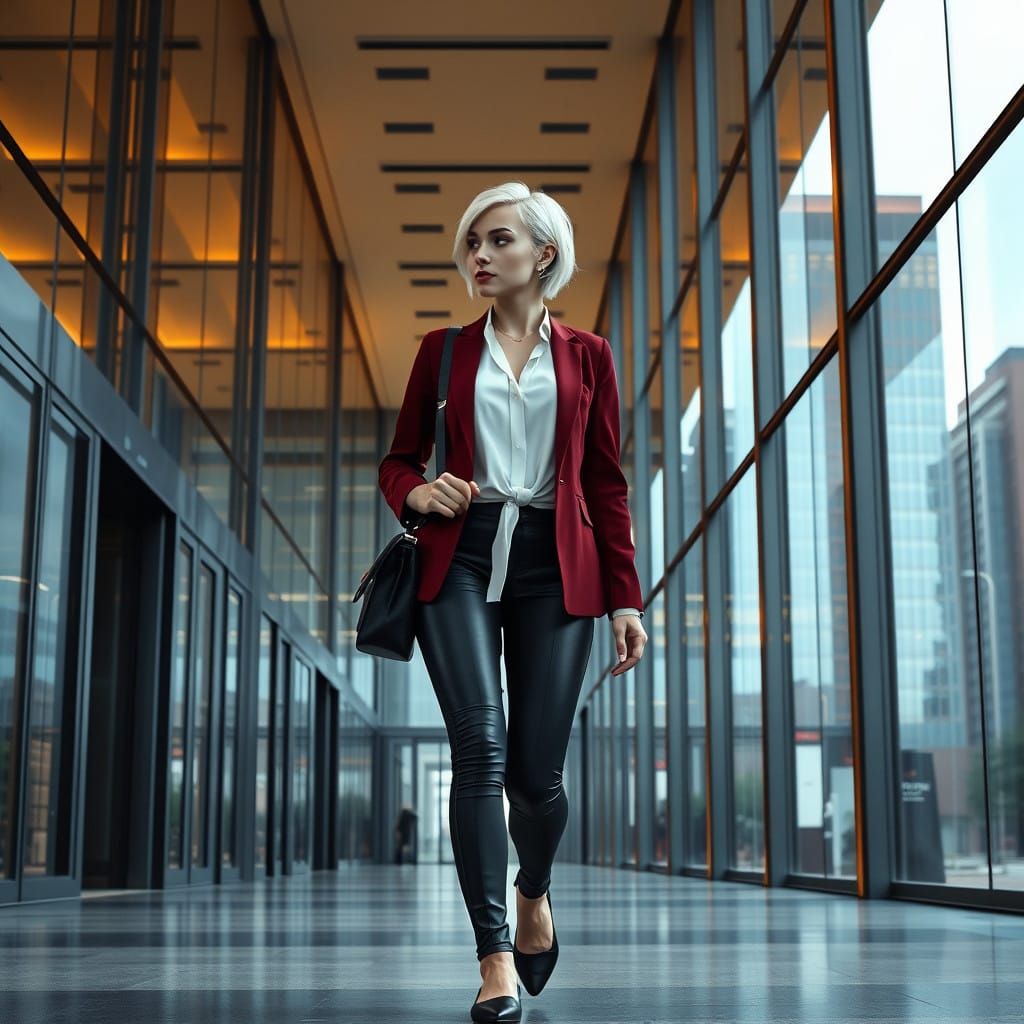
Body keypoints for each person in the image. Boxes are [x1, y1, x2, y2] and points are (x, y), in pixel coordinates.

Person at [378, 181, 647, 1023]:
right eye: (473, 244)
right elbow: (398, 459)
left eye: (498, 241)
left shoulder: (589, 356)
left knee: (535, 777)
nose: (480, 256)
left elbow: (605, 483)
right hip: (459, 556)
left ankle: (534, 888)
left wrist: (626, 600)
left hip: (557, 565)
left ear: (544, 254)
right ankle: (493, 954)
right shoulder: (443, 352)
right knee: (480, 752)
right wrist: (416, 494)